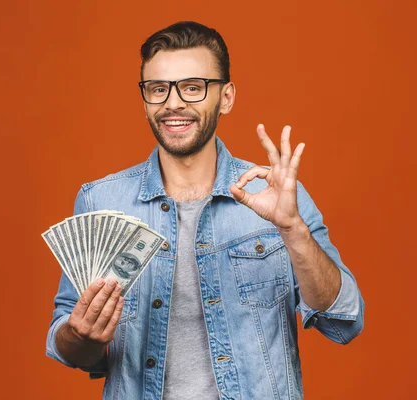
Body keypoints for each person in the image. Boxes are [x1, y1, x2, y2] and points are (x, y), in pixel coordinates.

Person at [46, 21, 364, 399]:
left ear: (226, 97)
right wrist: (79, 334)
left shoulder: (277, 196)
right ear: (145, 97)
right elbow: (70, 345)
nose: (173, 103)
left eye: (193, 88)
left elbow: (344, 320)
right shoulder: (101, 201)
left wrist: (293, 231)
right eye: (158, 89)